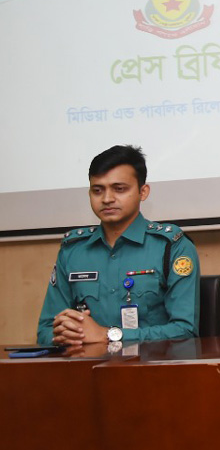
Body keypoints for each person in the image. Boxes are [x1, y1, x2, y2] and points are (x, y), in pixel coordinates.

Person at [37, 145, 200, 345]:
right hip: (88, 363)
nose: (107, 199)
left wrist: (108, 335)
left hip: (153, 363)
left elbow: (184, 330)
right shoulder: (73, 251)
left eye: (119, 189)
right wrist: (68, 334)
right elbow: (46, 331)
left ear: (143, 192)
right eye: (98, 190)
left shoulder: (171, 247)